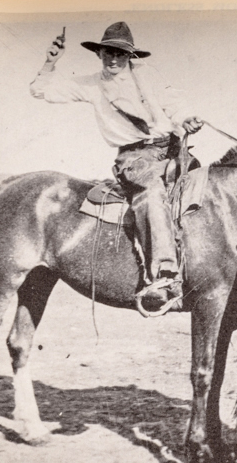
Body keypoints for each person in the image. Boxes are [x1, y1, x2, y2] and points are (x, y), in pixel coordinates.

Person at [30, 21, 205, 309]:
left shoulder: (148, 75)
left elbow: (175, 102)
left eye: (120, 54)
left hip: (173, 151)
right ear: (99, 54)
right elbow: (40, 90)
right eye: (108, 53)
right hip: (135, 158)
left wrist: (187, 117)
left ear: (129, 57)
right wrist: (50, 62)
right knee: (152, 195)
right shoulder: (90, 85)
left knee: (203, 193)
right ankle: (162, 274)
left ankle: (208, 275)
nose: (113, 59)